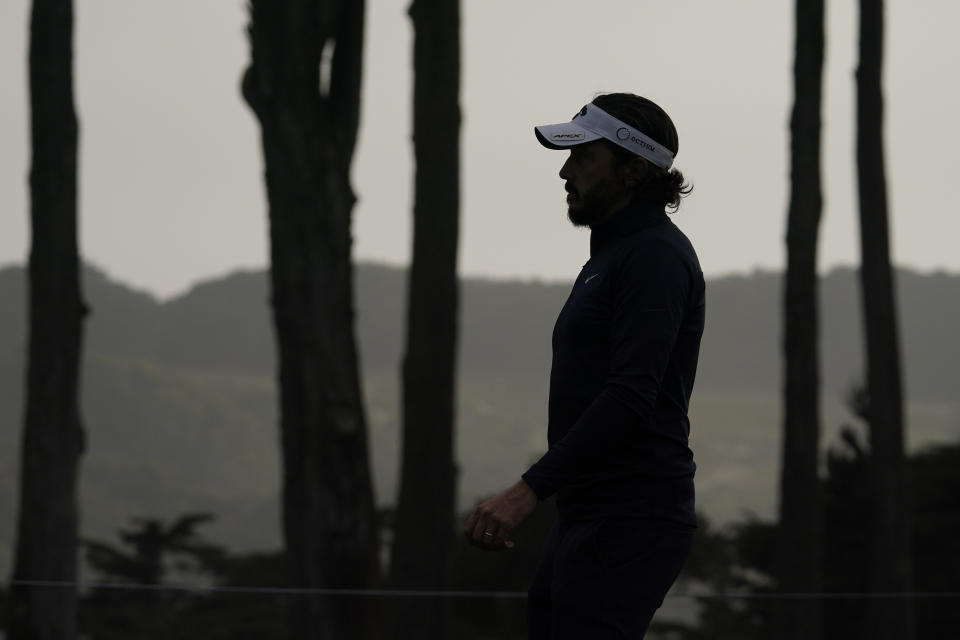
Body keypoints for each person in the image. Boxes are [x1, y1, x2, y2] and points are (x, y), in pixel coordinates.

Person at [463, 93, 705, 639]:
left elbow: (629, 395)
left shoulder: (654, 256)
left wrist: (526, 491)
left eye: (582, 157)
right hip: (590, 513)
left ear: (633, 169)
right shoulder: (614, 255)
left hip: (632, 517)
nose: (564, 170)